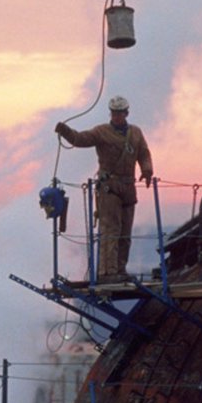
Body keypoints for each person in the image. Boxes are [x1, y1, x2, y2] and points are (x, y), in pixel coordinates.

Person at [55, 95, 154, 283]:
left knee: (125, 233)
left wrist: (147, 170)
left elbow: (144, 153)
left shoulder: (136, 133)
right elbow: (80, 139)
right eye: (114, 113)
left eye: (120, 113)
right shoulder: (101, 132)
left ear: (126, 113)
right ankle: (107, 273)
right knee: (110, 230)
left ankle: (120, 270)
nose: (116, 116)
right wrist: (65, 131)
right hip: (109, 188)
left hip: (128, 187)